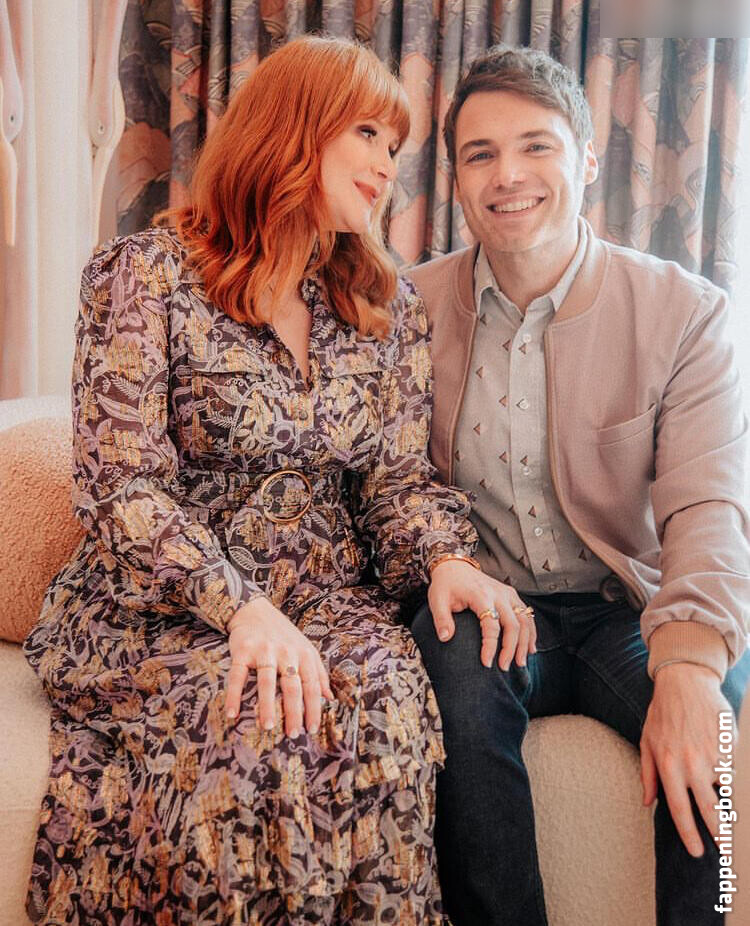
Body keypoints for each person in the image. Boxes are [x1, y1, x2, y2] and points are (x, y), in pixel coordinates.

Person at [22, 36, 533, 926]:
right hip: (164, 608)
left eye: (394, 146)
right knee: (265, 729)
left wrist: (446, 559)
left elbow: (396, 483)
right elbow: (120, 484)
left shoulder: (383, 307)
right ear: (293, 127)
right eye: (367, 133)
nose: (387, 166)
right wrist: (240, 608)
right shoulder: (148, 275)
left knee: (391, 713)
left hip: (329, 599)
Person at [406, 44, 750, 926]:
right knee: (451, 667)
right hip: (494, 614)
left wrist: (690, 666)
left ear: (588, 158)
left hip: (626, 609)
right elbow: (390, 479)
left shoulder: (687, 313)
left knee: (716, 736)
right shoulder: (406, 310)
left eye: (537, 146)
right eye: (480, 154)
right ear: (457, 179)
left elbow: (707, 505)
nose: (507, 175)